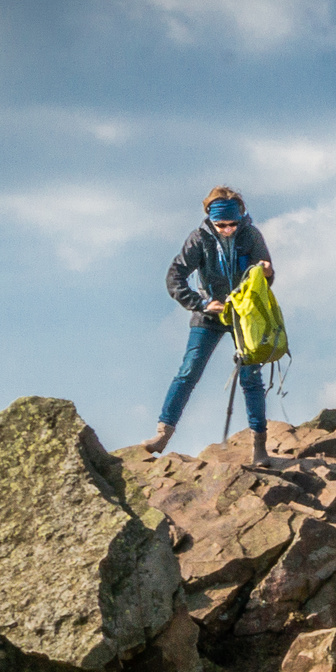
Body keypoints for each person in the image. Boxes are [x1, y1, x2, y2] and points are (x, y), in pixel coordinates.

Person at [142, 186, 276, 464]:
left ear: (240, 218)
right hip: (209, 314)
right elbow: (174, 276)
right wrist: (201, 303)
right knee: (188, 371)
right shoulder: (198, 238)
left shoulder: (251, 235)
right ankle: (162, 434)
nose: (227, 229)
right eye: (221, 225)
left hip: (244, 314)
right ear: (211, 220)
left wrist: (267, 272)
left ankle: (259, 447)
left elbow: (267, 277)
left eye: (232, 224)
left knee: (251, 377)